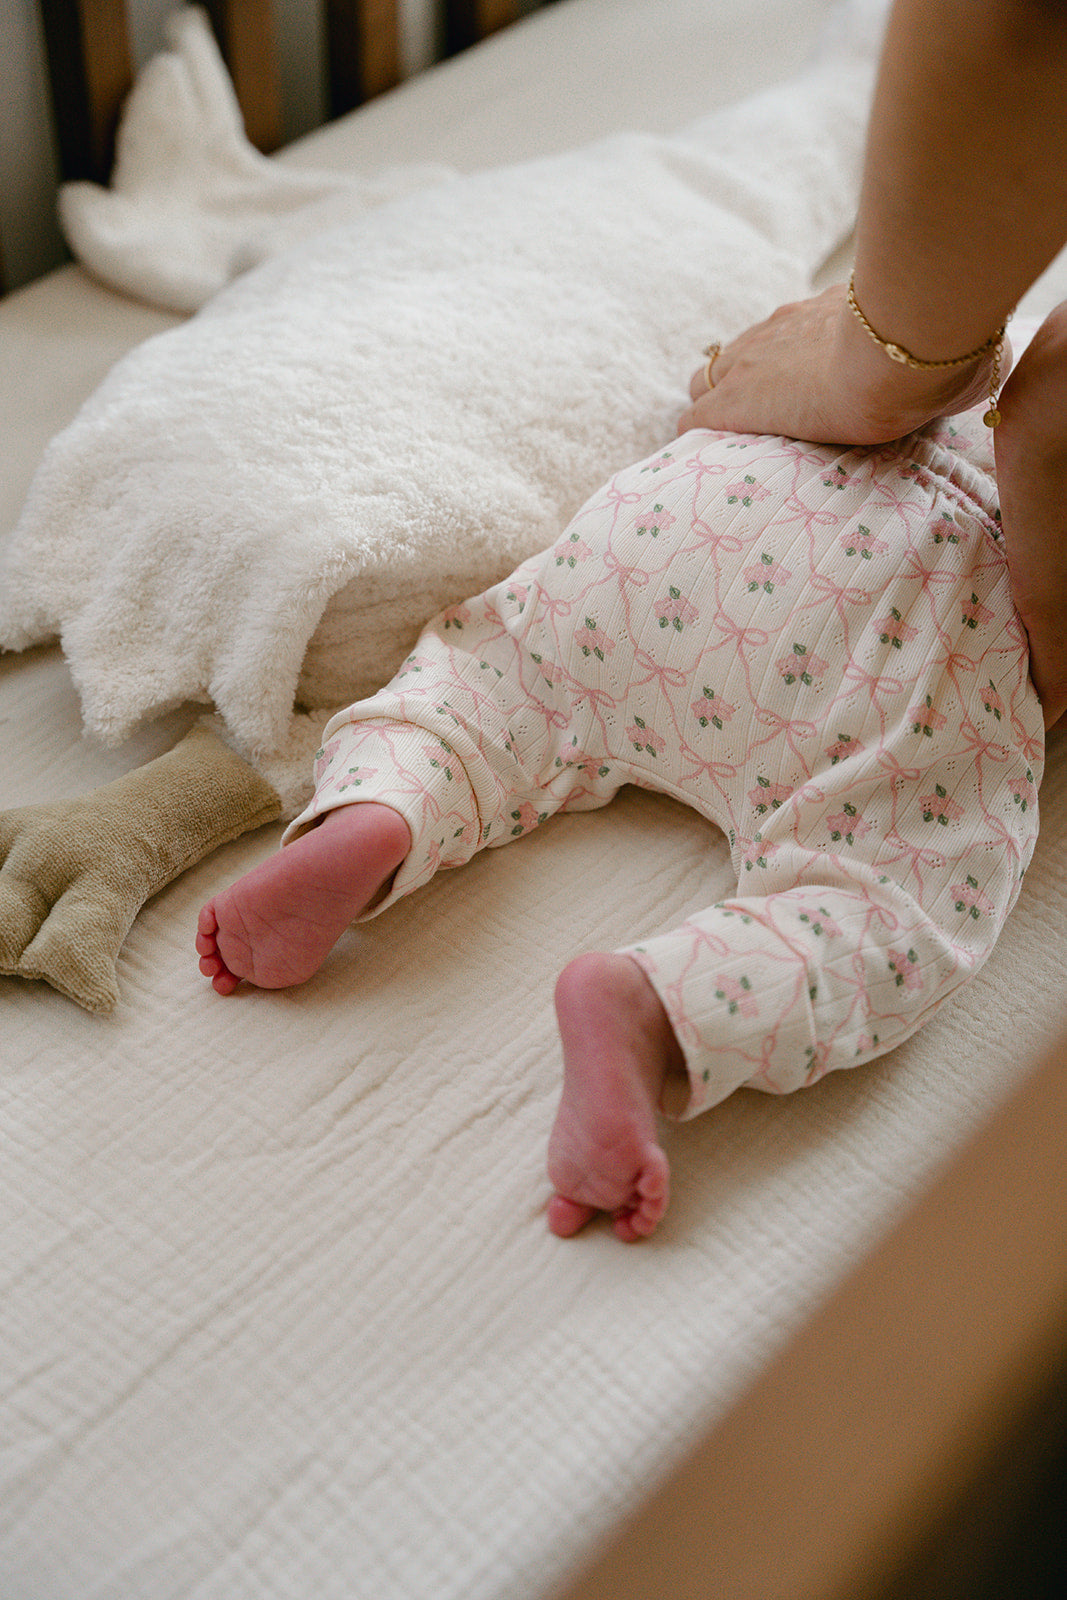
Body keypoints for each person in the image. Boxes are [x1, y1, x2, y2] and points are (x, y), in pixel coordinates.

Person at [198, 0, 1065, 1243]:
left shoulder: (949, 267)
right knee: (881, 899)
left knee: (494, 682)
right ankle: (659, 1008)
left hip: (701, 514)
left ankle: (385, 806)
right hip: (909, 633)